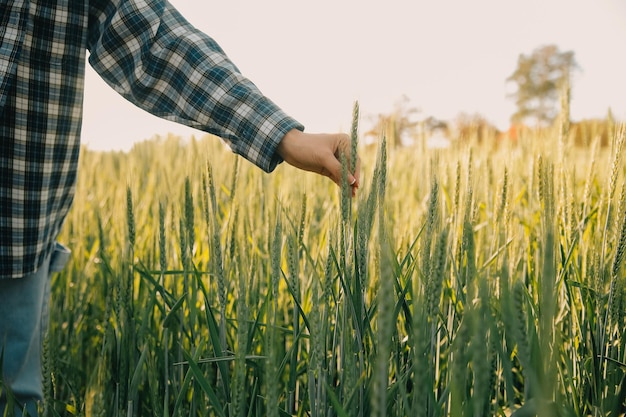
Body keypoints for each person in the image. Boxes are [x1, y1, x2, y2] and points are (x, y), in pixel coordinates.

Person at [0, 0, 360, 415]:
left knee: (15, 400)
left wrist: (283, 135)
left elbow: (154, 38)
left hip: (16, 230)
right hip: (22, 226)